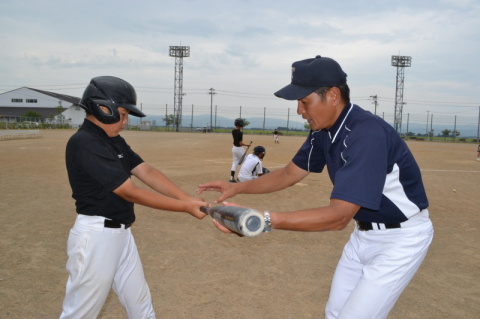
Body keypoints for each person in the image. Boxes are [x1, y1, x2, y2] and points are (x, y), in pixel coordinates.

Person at [198, 55, 434, 319]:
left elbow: (338, 217)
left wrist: (260, 220)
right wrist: (237, 188)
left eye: (304, 101)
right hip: (363, 236)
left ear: (332, 95)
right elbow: (289, 173)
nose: (300, 110)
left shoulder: (365, 134)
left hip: (400, 240)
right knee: (334, 312)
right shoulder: (324, 130)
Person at [60, 76, 207, 319]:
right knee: (80, 313)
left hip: (121, 235)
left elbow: (145, 171)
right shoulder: (86, 142)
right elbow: (129, 191)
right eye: (123, 114)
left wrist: (190, 200)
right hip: (96, 237)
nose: (126, 121)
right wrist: (184, 207)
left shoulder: (113, 141)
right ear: (102, 108)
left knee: (141, 306)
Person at [230, 118, 250, 182]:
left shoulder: (233, 131)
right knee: (246, 162)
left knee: (235, 163)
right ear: (241, 124)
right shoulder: (240, 133)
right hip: (239, 149)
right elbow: (240, 143)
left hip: (234, 148)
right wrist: (247, 145)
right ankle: (242, 177)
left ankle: (231, 178)